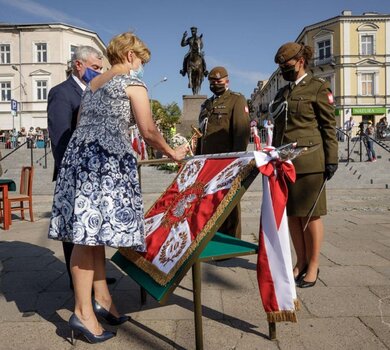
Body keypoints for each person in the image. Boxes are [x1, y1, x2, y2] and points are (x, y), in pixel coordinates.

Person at [48, 32, 188, 344]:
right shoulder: (132, 82)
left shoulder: (93, 84)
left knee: (90, 236)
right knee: (86, 240)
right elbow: (148, 129)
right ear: (129, 56)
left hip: (80, 160)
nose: (142, 67)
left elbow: (83, 122)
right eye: (141, 61)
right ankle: (83, 313)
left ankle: (103, 300)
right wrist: (172, 152)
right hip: (104, 165)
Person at [47, 46, 118, 292]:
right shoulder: (62, 93)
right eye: (95, 68)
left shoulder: (94, 91)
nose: (98, 72)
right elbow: (60, 136)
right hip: (75, 171)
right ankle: (76, 281)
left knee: (90, 226)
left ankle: (95, 277)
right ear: (79, 65)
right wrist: (72, 170)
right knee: (73, 230)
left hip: (95, 171)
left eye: (101, 68)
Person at [272, 42, 338, 288]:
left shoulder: (318, 88)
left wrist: (331, 160)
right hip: (286, 163)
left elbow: (328, 127)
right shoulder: (283, 94)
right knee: (292, 216)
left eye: (287, 66)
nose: (284, 71)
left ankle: (313, 265)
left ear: (300, 61)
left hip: (311, 161)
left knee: (310, 216)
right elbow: (279, 129)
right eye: (281, 68)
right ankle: (300, 261)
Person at [195, 66, 250, 239]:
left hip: (227, 160)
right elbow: (201, 134)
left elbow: (241, 132)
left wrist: (237, 161)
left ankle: (232, 239)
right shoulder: (206, 104)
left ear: (227, 81)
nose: (215, 84)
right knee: (211, 200)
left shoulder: (236, 100)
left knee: (229, 201)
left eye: (218, 81)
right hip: (208, 161)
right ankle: (214, 236)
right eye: (212, 81)